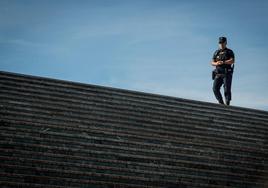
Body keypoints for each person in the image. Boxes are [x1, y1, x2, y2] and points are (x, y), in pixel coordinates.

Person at [211, 37, 235, 105]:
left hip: (226, 73)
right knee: (215, 88)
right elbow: (212, 62)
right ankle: (221, 103)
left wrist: (223, 62)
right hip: (218, 73)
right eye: (220, 43)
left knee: (227, 89)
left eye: (222, 43)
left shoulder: (229, 51)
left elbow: (232, 61)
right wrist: (216, 63)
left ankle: (227, 103)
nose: (221, 44)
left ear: (226, 43)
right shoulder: (216, 52)